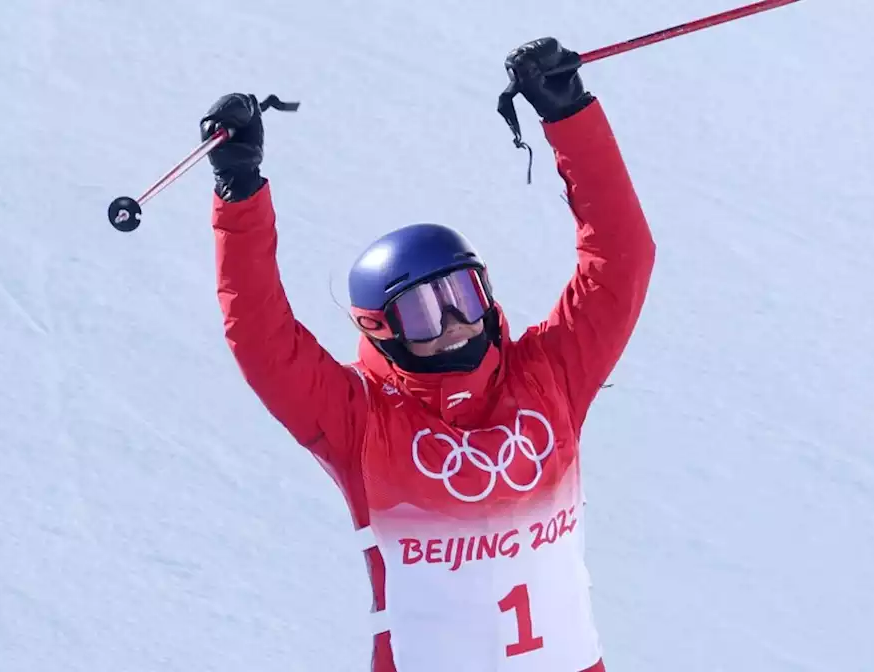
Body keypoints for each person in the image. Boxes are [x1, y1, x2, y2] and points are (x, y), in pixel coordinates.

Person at [203, 36, 655, 672]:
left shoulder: (549, 375)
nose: (451, 323)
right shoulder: (361, 420)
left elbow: (620, 262)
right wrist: (239, 191)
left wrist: (568, 115)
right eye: (421, 311)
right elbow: (260, 335)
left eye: (462, 295)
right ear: (382, 329)